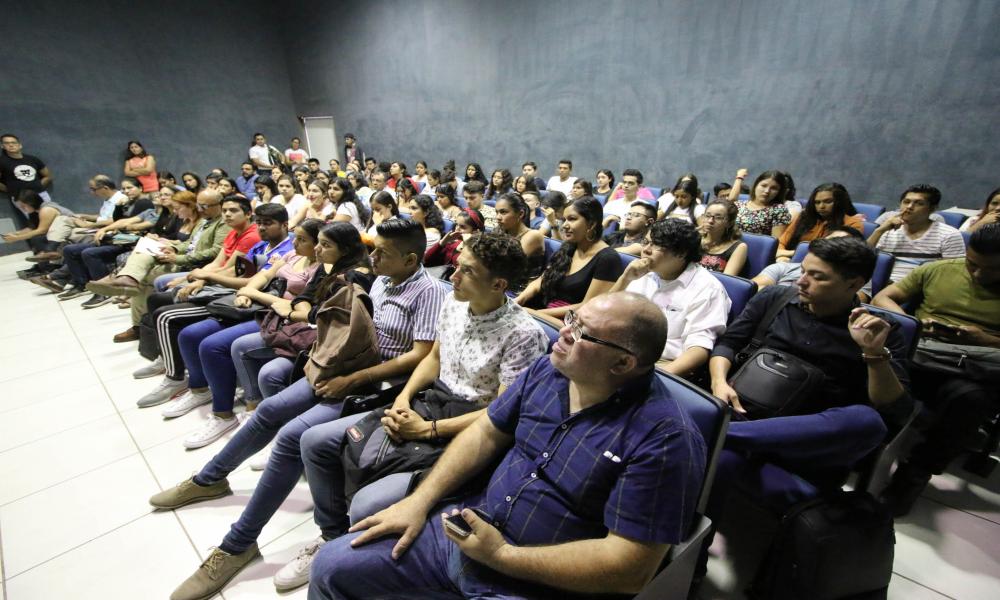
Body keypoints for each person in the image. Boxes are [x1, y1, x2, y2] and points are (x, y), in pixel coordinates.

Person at [309, 291, 706, 600]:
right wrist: (420, 501)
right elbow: (485, 431)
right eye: (572, 319)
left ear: (622, 364)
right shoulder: (549, 370)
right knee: (330, 565)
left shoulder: (666, 438)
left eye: (583, 333)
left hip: (537, 582)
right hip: (469, 530)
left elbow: (630, 567)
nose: (564, 332)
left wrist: (503, 556)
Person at [153, 220, 446, 600]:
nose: (371, 257)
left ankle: (238, 544)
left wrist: (353, 380)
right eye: (372, 250)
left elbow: (419, 357)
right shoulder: (382, 279)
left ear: (409, 259)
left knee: (294, 437)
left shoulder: (429, 292)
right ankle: (210, 479)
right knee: (269, 409)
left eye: (381, 253)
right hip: (348, 369)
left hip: (377, 386)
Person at [697, 236, 911, 586]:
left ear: (854, 284)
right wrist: (720, 381)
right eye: (803, 270)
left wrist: (873, 354)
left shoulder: (881, 331)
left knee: (867, 421)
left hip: (806, 440)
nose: (801, 281)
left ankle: (714, 431)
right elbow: (728, 343)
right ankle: (694, 562)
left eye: (818, 277)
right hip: (746, 410)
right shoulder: (775, 299)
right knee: (725, 459)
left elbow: (895, 410)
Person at [159, 216, 323, 449]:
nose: (294, 243)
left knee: (215, 345)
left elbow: (297, 306)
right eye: (296, 237)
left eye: (302, 239)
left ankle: (233, 410)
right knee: (191, 335)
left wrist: (254, 294)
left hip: (280, 317)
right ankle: (200, 390)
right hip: (261, 307)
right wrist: (247, 291)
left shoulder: (321, 269)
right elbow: (264, 275)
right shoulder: (293, 255)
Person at [873, 224, 1000, 517]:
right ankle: (865, 444)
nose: (978, 274)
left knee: (969, 401)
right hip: (923, 351)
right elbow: (884, 298)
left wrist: (986, 338)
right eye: (972, 264)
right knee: (871, 364)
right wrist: (913, 324)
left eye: (992, 269)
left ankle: (916, 472)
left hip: (973, 368)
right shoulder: (940, 269)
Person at [87, 189, 230, 343]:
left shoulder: (223, 223)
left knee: (143, 278)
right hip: (184, 258)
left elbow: (214, 252)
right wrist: (173, 249)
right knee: (143, 253)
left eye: (204, 206)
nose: (200, 210)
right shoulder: (205, 221)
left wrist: (178, 257)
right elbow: (190, 244)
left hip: (195, 265)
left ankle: (127, 287)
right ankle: (128, 281)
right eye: (199, 205)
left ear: (219, 205)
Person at [610, 218, 730, 377]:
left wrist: (653, 378)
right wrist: (624, 279)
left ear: (681, 253)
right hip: (621, 350)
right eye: (645, 242)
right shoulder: (642, 272)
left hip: (661, 364)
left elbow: (698, 349)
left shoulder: (707, 288)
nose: (646, 250)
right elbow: (605, 310)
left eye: (656, 245)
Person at [516, 197, 624, 324]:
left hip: (572, 323)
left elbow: (587, 307)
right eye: (564, 219)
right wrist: (519, 300)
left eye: (572, 219)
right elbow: (541, 280)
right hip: (542, 313)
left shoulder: (608, 259)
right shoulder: (568, 247)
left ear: (592, 223)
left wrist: (534, 314)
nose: (565, 225)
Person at [59, 177, 157, 305]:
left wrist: (112, 228)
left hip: (128, 242)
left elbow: (131, 224)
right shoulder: (128, 202)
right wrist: (117, 208)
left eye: (130, 188)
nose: (126, 191)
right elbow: (120, 220)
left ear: (140, 188)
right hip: (118, 237)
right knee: (69, 250)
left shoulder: (144, 203)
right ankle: (80, 284)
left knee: (89, 253)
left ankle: (103, 293)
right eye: (124, 189)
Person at [867, 184, 966, 283]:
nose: (909, 207)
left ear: (932, 208)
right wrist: (879, 231)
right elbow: (861, 260)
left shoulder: (949, 235)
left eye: (919, 203)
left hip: (921, 287)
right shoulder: (886, 230)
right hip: (880, 282)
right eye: (906, 202)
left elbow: (954, 273)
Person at [753, 227, 866, 290]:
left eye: (818, 277)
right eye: (831, 241)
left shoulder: (856, 276)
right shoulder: (783, 267)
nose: (801, 282)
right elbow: (754, 289)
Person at [777, 182, 863, 260]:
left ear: (839, 202)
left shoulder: (852, 223)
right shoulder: (804, 217)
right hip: (791, 261)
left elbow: (839, 256)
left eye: (828, 201)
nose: (821, 206)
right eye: (817, 202)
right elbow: (780, 244)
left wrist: (795, 253)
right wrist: (783, 257)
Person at [0, 133, 53, 229]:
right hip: (21, 198)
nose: (11, 145)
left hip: (40, 194)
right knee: (37, 222)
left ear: (20, 145)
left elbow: (47, 176)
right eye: (7, 143)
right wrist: (11, 190)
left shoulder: (33, 159)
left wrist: (38, 185)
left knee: (52, 218)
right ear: (2, 146)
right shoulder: (1, 161)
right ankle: (45, 242)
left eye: (13, 142)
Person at [495, 192, 545, 286]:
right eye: (496, 212)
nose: (498, 217)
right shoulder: (500, 231)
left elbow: (508, 265)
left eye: (503, 212)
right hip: (501, 283)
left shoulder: (533, 236)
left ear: (521, 214)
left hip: (520, 289)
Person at [729, 169, 792, 238]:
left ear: (779, 192)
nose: (767, 191)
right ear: (756, 185)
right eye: (764, 185)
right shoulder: (740, 204)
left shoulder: (779, 210)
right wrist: (739, 178)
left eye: (774, 188)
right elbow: (731, 201)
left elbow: (775, 242)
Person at [698, 199, 748, 275]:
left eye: (718, 217)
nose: (710, 221)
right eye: (707, 216)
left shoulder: (739, 247)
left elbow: (726, 280)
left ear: (729, 223)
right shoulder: (695, 238)